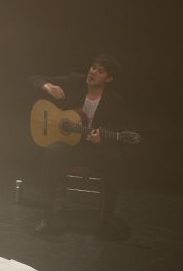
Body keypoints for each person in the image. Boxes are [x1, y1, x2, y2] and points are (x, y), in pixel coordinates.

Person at [29, 54, 130, 238]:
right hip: (71, 145)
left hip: (94, 150)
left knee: (114, 160)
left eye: (100, 71)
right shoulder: (75, 82)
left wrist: (102, 139)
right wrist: (47, 86)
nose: (93, 72)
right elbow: (33, 78)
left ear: (109, 78)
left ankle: (107, 216)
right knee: (51, 153)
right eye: (93, 67)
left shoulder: (114, 101)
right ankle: (48, 215)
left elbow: (117, 131)